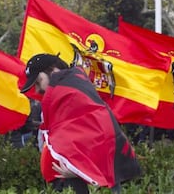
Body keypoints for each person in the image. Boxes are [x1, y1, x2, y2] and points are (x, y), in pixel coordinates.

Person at [20, 53, 141, 193]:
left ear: (53, 71)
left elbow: (98, 137)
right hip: (69, 179)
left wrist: (78, 170)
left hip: (79, 180)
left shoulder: (72, 93)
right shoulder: (65, 94)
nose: (37, 90)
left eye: (38, 81)